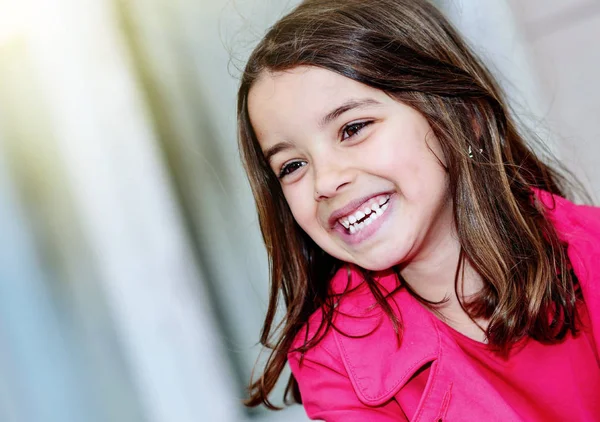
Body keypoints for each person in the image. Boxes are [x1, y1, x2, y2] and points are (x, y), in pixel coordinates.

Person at [236, 0, 600, 420]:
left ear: (463, 116)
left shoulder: (590, 249)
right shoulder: (335, 365)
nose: (324, 181)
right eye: (292, 166)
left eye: (353, 129)